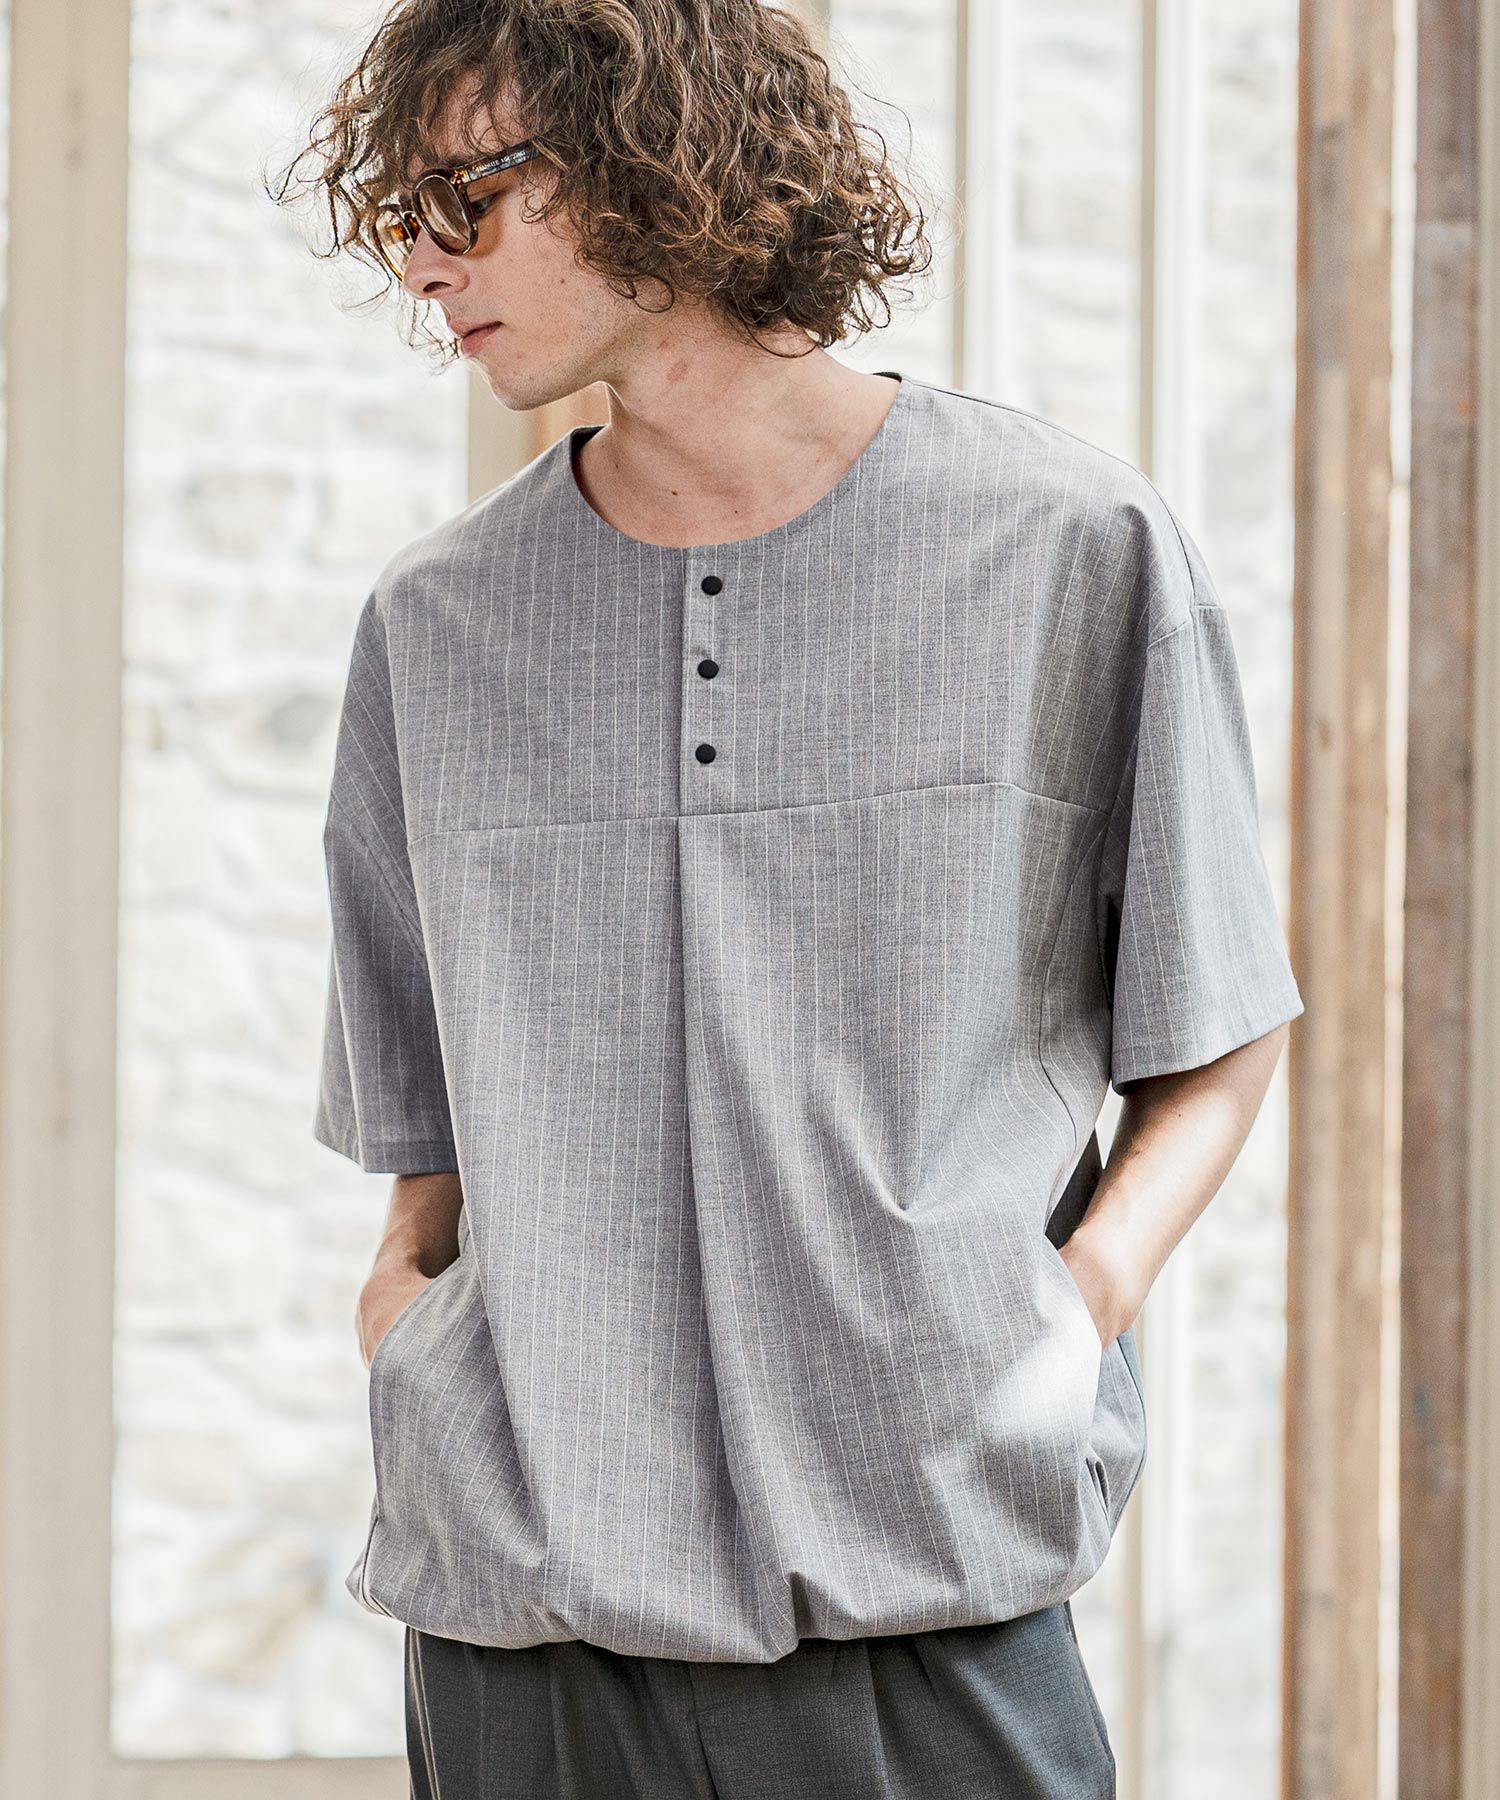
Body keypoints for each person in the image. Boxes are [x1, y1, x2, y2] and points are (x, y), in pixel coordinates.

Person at [273, 2, 1304, 1794]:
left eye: (466, 199)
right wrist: (405, 1313)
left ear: (649, 158)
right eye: (402, 218)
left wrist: (1072, 1310)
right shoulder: (437, 628)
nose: (424, 263)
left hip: (930, 1595)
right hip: (524, 1620)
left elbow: (1217, 1022)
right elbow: (416, 1113)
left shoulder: (1069, 550)